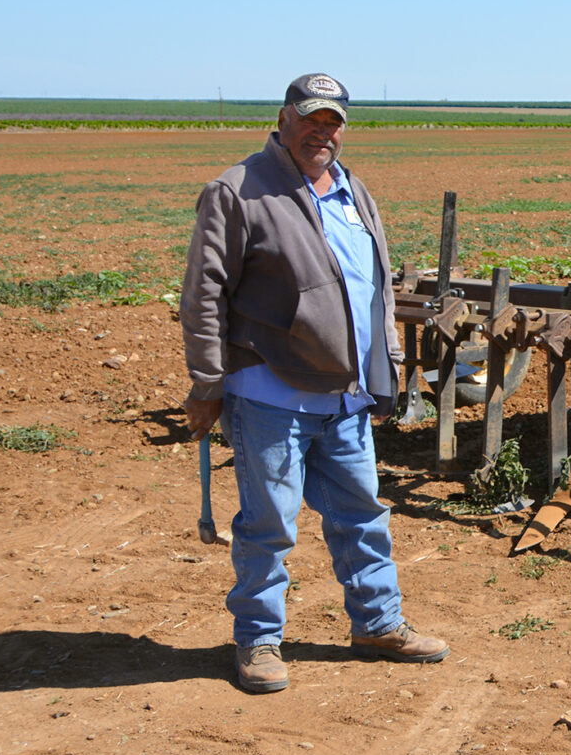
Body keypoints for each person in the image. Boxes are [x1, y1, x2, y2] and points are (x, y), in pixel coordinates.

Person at [181, 73, 448, 693]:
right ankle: (257, 641)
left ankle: (378, 625)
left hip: (345, 396)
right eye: (310, 119)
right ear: (283, 118)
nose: (320, 132)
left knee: (362, 517)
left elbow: (374, 286)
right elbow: (203, 296)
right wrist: (207, 382)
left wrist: (383, 368)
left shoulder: (352, 189)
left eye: (332, 122)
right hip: (270, 392)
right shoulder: (238, 191)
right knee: (269, 526)